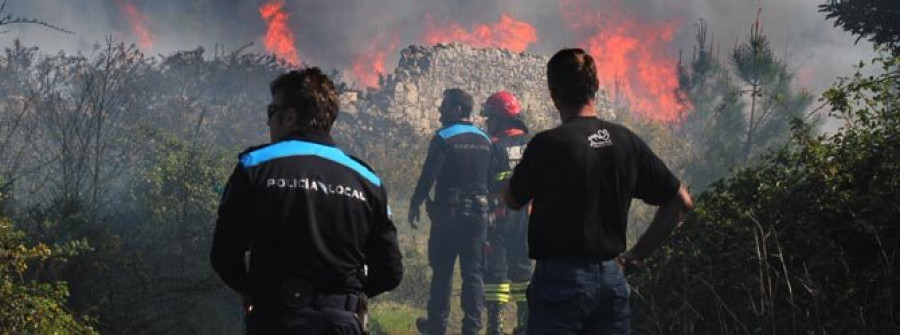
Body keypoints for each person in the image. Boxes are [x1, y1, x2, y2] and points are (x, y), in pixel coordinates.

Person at [503, 48, 694, 334]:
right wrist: (637, 254)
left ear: (553, 93)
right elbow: (681, 202)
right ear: (596, 88)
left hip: (560, 283)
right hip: (612, 281)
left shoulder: (548, 144)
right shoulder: (625, 140)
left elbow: (513, 199)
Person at [211, 67, 403, 334]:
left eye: (272, 112)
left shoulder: (255, 166)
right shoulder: (366, 179)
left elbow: (224, 256)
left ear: (290, 116)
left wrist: (250, 290)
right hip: (341, 322)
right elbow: (391, 271)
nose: (268, 122)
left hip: (274, 318)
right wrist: (347, 298)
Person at [408, 88, 492, 335]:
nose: (439, 111)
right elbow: (490, 181)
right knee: (473, 274)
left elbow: (428, 176)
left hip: (449, 217)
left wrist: (415, 203)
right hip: (479, 216)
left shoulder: (444, 137)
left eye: (444, 107)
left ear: (457, 109)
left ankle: (436, 326)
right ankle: (472, 328)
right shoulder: (485, 139)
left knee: (442, 272)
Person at [480, 91, 532, 335]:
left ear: (502, 119)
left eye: (491, 119)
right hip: (526, 216)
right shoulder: (530, 145)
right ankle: (525, 322)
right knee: (522, 267)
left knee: (496, 269)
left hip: (499, 215)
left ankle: (495, 323)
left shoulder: (493, 146)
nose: (488, 124)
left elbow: (486, 184)